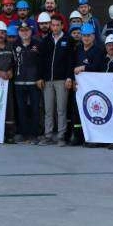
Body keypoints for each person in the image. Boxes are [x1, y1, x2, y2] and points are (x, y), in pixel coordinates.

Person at [40, 16, 74, 146]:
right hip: (47, 80)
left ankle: (61, 136)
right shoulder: (46, 40)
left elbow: (71, 60)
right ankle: (48, 135)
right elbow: (41, 60)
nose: (54, 28)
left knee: (61, 109)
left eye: (57, 25)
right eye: (52, 25)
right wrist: (40, 77)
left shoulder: (68, 40)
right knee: (48, 110)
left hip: (62, 80)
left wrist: (69, 77)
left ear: (62, 26)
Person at [73, 24, 105, 148]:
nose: (86, 38)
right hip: (79, 87)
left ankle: (93, 137)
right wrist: (73, 79)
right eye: (84, 35)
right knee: (77, 112)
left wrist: (84, 68)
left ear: (93, 36)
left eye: (89, 35)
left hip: (94, 88)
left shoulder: (98, 50)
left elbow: (98, 67)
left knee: (93, 111)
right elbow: (72, 66)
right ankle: (78, 136)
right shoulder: (78, 50)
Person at [13, 23, 44, 144]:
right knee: (21, 108)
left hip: (34, 81)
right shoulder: (14, 45)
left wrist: (40, 77)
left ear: (31, 31)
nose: (24, 32)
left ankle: (34, 134)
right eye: (22, 30)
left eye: (26, 30)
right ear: (18, 32)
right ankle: (23, 133)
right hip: (19, 81)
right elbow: (11, 62)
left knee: (35, 108)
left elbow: (42, 62)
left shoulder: (38, 44)